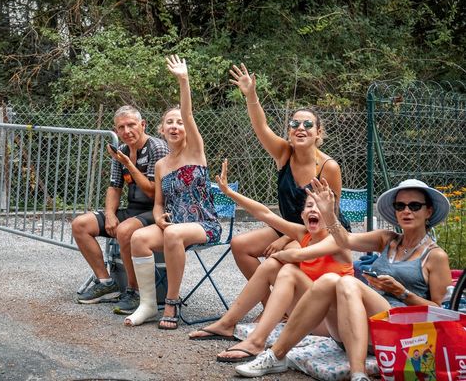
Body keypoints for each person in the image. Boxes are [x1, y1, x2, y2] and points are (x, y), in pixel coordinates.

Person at [235, 178, 452, 381]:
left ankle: (358, 374)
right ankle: (276, 355)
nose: (406, 211)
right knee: (329, 280)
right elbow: (345, 239)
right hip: (355, 332)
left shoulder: (435, 256)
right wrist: (329, 213)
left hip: (400, 336)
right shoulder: (387, 240)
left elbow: (441, 313)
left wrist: (402, 293)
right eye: (400, 206)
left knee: (346, 281)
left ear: (428, 211)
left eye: (414, 206)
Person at [187, 159, 352, 363]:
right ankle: (227, 323)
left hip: (333, 322)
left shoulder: (339, 238)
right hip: (308, 315)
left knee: (288, 270)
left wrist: (282, 254)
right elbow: (265, 213)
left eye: (320, 206)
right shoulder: (303, 233)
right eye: (309, 205)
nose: (314, 210)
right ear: (301, 215)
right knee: (273, 266)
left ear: (329, 212)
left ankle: (256, 341)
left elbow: (299, 256)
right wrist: (229, 192)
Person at [227, 63, 349, 289]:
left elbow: (331, 216)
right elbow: (260, 127)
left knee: (280, 256)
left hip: (319, 231)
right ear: (289, 131)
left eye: (308, 124)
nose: (300, 127)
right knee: (239, 244)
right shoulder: (284, 154)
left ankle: (288, 308)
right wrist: (251, 95)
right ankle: (271, 306)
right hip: (287, 226)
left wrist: (288, 238)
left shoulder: (328, 167)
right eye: (294, 123)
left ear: (318, 133)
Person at [124, 55, 222, 330]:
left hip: (204, 224)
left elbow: (189, 114)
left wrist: (183, 80)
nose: (176, 126)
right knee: (139, 238)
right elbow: (158, 204)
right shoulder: (160, 165)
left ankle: (172, 301)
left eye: (179, 122)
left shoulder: (195, 151)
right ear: (161, 129)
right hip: (172, 225)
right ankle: (147, 304)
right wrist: (158, 219)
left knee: (174, 233)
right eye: (170, 122)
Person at [73, 106, 169, 313]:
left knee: (125, 230)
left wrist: (129, 164)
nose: (127, 131)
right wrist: (109, 214)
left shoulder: (157, 148)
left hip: (158, 211)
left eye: (131, 125)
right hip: (133, 209)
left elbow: (153, 192)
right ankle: (107, 282)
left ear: (143, 125)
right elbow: (114, 187)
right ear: (116, 131)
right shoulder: (122, 151)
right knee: (80, 224)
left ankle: (133, 291)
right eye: (121, 127)